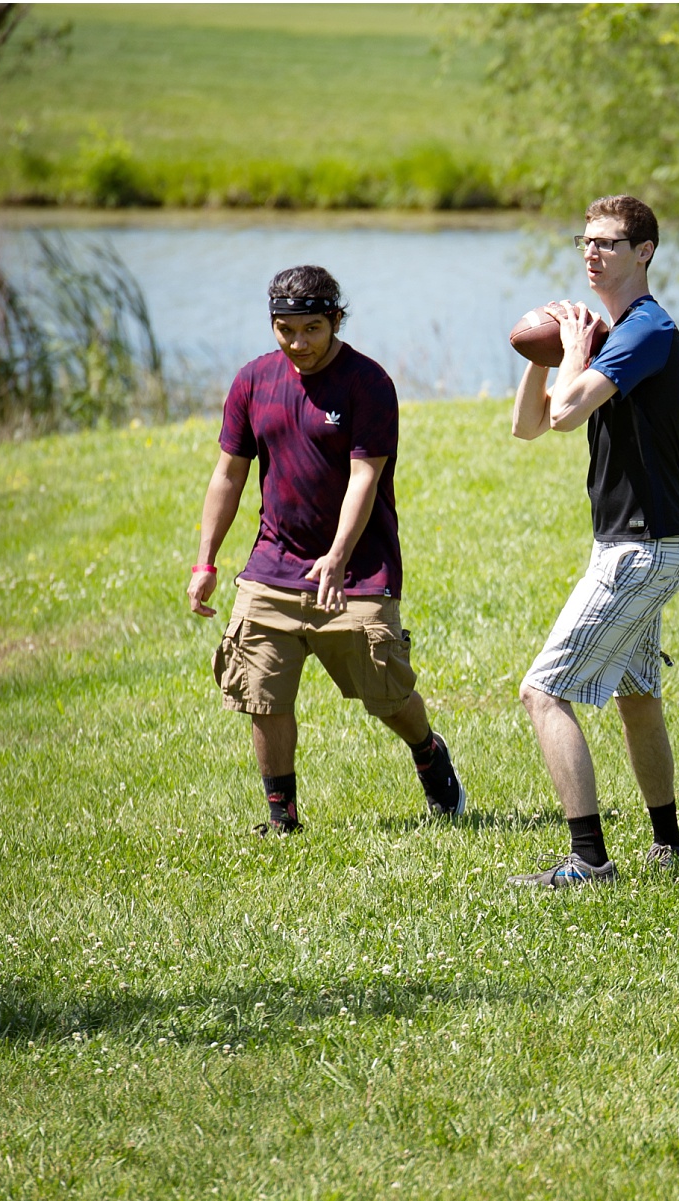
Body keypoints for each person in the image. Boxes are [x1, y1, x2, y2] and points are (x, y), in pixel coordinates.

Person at [189, 265, 465, 835]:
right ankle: (281, 817)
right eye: (285, 329)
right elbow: (228, 475)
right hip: (272, 567)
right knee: (262, 696)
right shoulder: (252, 382)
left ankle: (428, 752)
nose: (299, 343)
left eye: (312, 328)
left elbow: (365, 477)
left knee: (387, 693)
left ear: (336, 320)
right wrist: (206, 561)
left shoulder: (367, 383)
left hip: (357, 572)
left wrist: (337, 556)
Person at [508, 194, 679, 887]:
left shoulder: (645, 331)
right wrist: (543, 355)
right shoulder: (616, 330)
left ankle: (588, 859)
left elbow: (565, 416)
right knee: (637, 691)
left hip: (640, 550)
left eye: (607, 242)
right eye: (585, 240)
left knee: (544, 690)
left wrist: (577, 352)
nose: (591, 252)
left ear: (642, 252)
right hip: (637, 543)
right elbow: (528, 424)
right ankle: (669, 844)